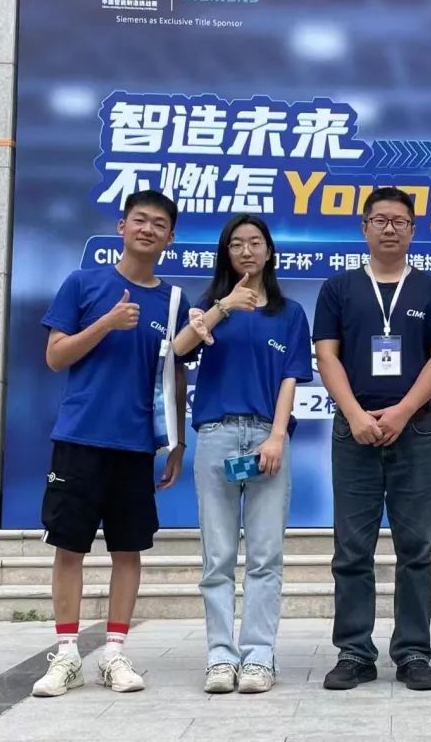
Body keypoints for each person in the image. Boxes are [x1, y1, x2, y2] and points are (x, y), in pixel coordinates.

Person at [32, 190, 190, 698]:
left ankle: (115, 653)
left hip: (136, 444)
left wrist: (176, 442)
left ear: (170, 238)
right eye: (140, 220)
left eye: (159, 224)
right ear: (122, 227)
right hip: (79, 437)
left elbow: (173, 376)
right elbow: (56, 356)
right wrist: (106, 322)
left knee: (128, 548)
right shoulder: (83, 283)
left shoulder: (174, 301)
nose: (148, 229)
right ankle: (67, 654)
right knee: (69, 547)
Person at [314, 187, 431, 691]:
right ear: (365, 228)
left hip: (415, 429)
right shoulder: (339, 288)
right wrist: (355, 414)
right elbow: (326, 355)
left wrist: (401, 411)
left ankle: (413, 651)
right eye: (380, 220)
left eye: (399, 221)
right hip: (352, 430)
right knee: (352, 549)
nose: (390, 228)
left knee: (415, 547)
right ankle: (354, 652)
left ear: (413, 230)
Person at [171, 214, 312, 694]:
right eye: (236, 244)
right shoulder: (210, 304)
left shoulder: (289, 313)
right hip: (216, 434)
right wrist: (224, 307)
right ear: (226, 253)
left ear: (270, 251)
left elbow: (291, 377)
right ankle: (219, 656)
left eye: (255, 242)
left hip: (267, 436)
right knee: (218, 556)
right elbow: (180, 349)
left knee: (265, 556)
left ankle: (258, 656)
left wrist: (277, 436)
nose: (246, 251)